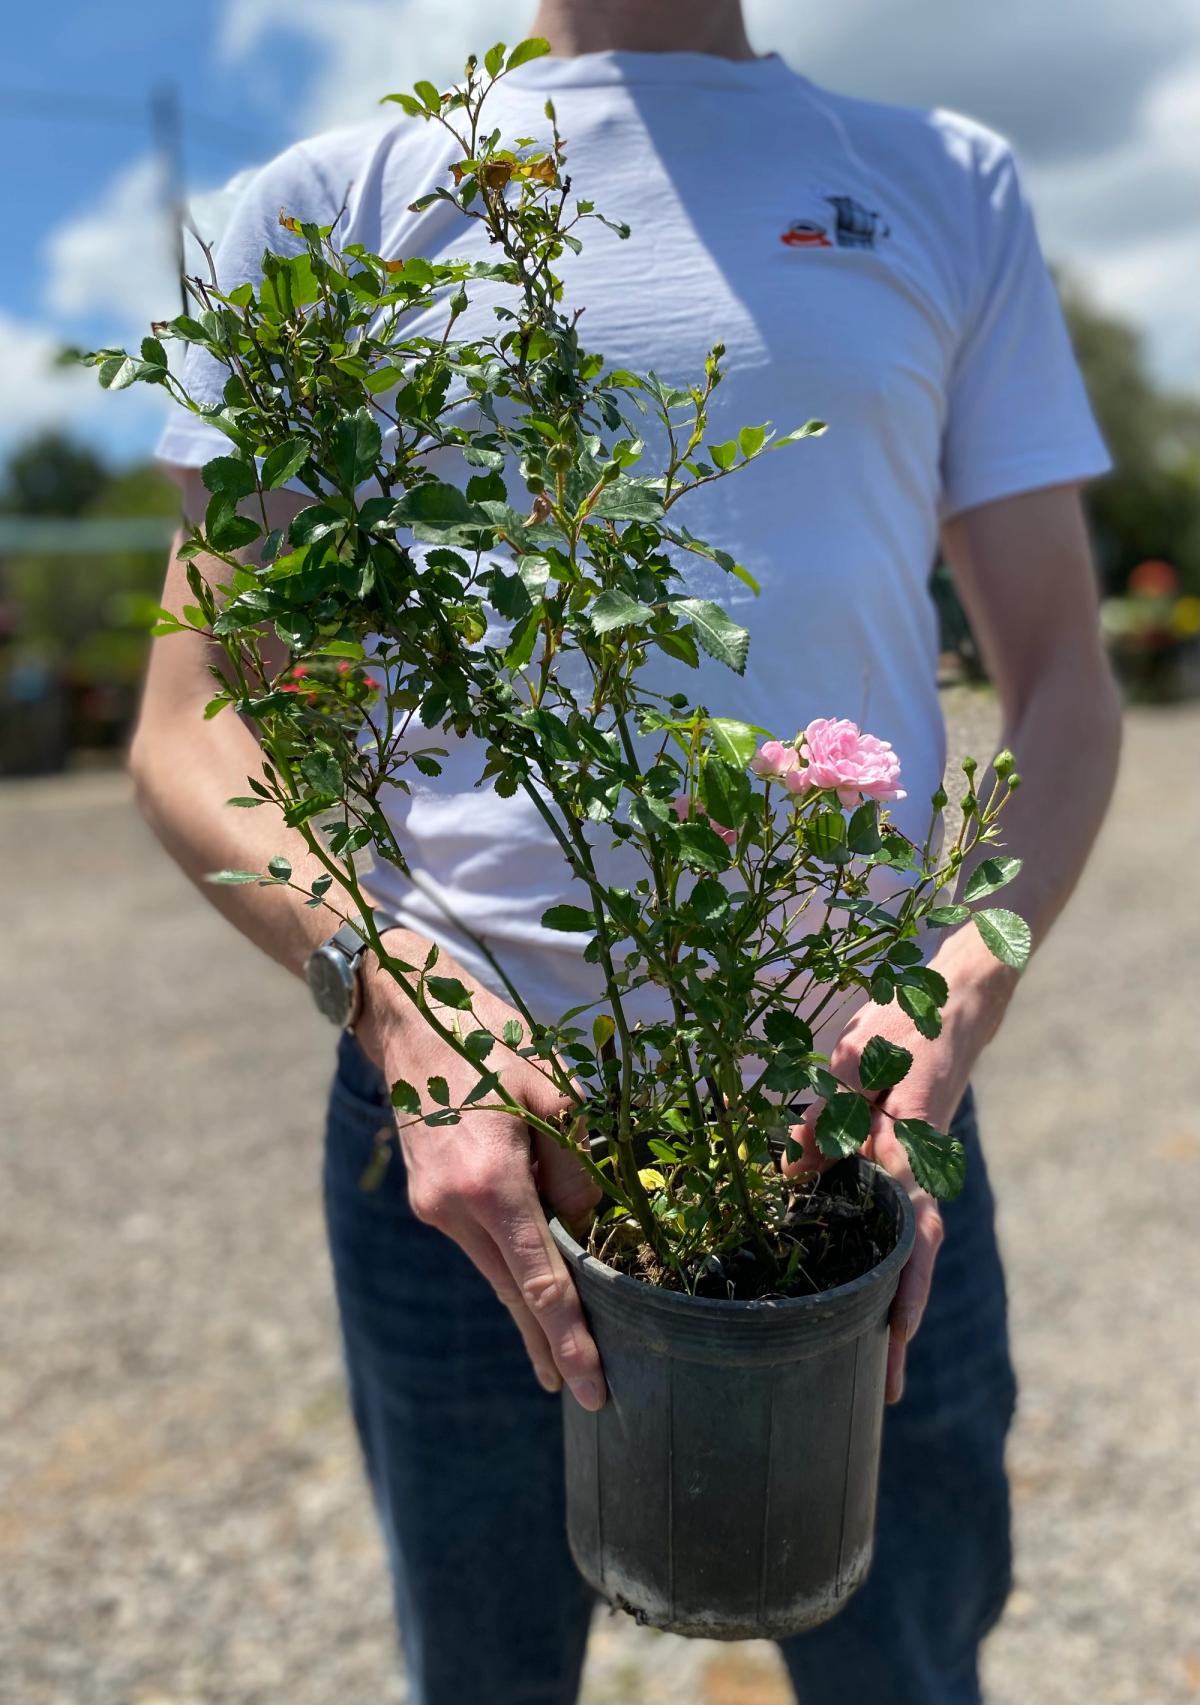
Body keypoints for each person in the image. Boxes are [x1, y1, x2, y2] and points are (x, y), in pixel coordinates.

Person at [135, 2, 1121, 1700]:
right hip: (467, 1155)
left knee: (906, 1665)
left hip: (858, 1140)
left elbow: (1067, 681)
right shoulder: (321, 211)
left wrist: (951, 1000)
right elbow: (194, 715)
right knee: (486, 1673)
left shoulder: (943, 183)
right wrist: (396, 1001)